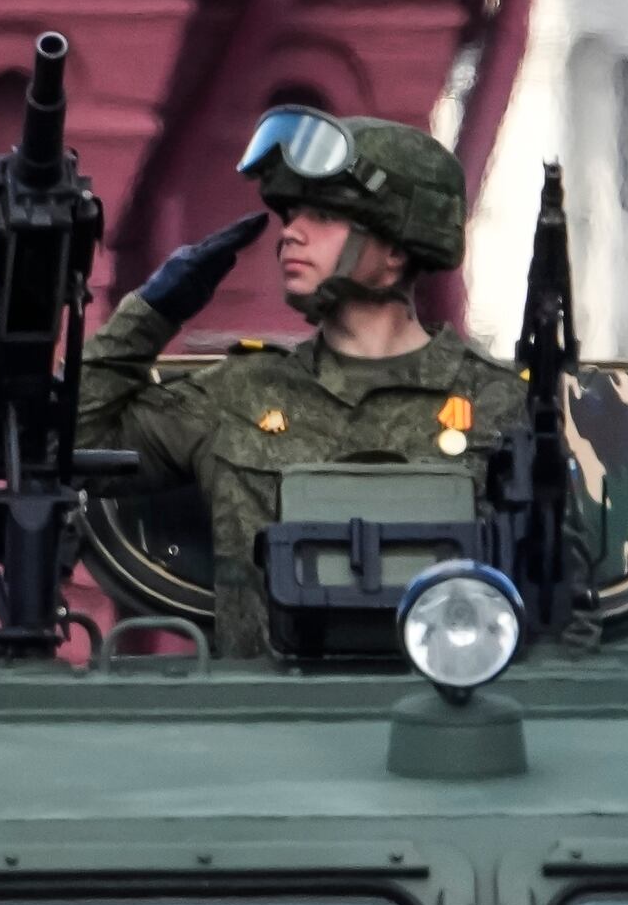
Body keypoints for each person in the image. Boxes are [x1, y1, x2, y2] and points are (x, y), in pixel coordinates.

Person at [81, 107, 513, 662]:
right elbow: (69, 443)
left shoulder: (501, 405)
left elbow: (563, 606)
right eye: (290, 214)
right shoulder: (240, 394)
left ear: (397, 247)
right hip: (269, 722)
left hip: (443, 719)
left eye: (324, 216)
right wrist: (153, 312)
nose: (290, 232)